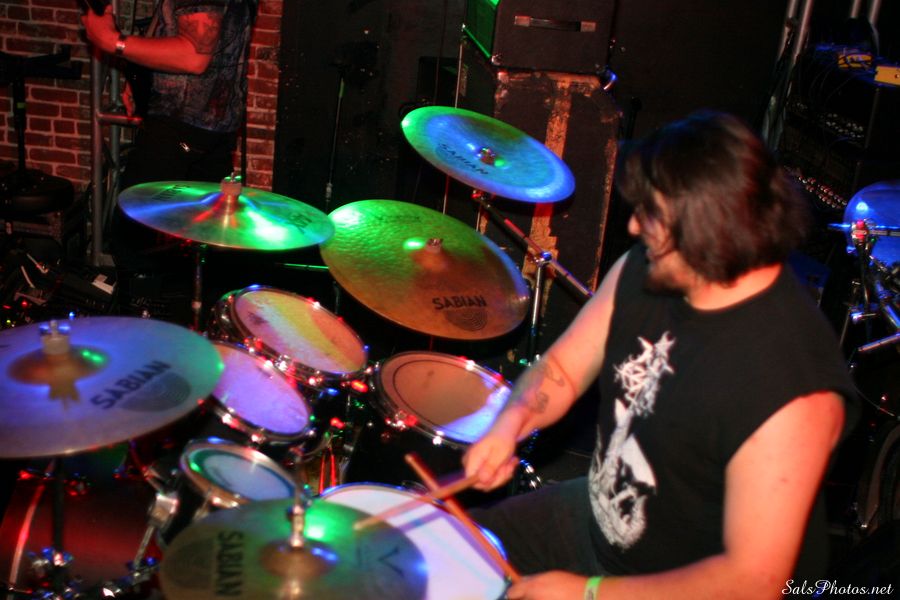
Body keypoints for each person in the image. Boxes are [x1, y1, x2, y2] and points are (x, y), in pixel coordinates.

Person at [463, 111, 856, 600]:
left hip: (683, 584)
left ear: (705, 229)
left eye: (650, 214)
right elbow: (561, 370)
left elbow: (754, 581)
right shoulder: (647, 269)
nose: (633, 226)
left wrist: (588, 594)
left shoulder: (792, 391)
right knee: (450, 550)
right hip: (594, 519)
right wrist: (509, 425)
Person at [82, 0, 258, 188]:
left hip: (179, 128)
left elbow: (195, 55)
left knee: (137, 205)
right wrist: (142, 74)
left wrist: (114, 42)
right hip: (210, 129)